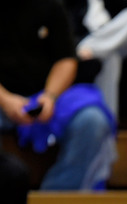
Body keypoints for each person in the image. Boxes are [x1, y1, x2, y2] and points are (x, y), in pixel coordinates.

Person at [0, 0, 116, 191]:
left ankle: (56, 196)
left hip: (47, 96)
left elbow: (66, 59)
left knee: (92, 121)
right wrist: (5, 100)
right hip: (3, 99)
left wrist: (50, 96)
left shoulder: (51, 5)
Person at [63, 0, 127, 119]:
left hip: (113, 40)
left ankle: (89, 46)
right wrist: (76, 45)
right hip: (83, 52)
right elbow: (62, 29)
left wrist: (88, 47)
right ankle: (108, 124)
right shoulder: (70, 4)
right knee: (111, 57)